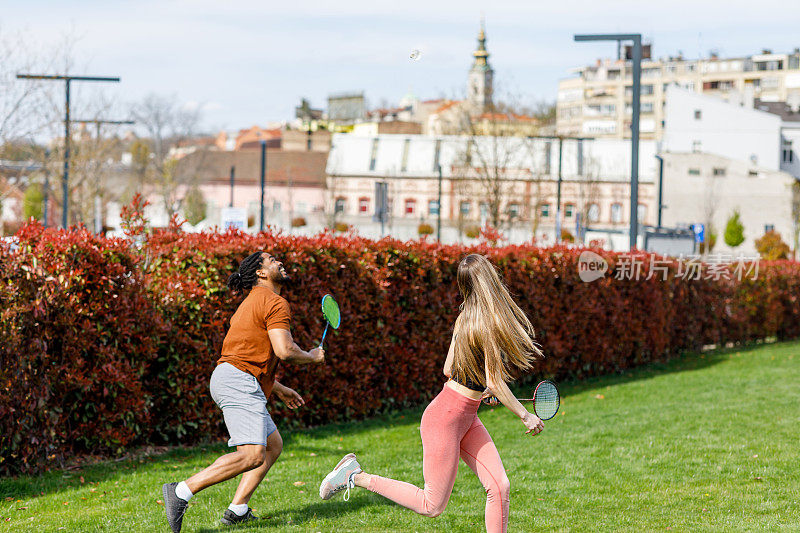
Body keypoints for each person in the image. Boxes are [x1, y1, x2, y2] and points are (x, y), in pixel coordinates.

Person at [318, 254, 544, 533]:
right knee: (432, 505)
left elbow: (449, 369)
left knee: (499, 486)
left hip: (463, 414)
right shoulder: (484, 324)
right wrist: (524, 415)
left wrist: (479, 391)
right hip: (446, 419)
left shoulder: (466, 319)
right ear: (490, 281)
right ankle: (356, 475)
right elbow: (495, 380)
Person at [162, 251, 325, 532]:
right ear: (261, 273)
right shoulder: (275, 302)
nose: (279, 262)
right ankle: (181, 491)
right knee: (252, 454)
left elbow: (248, 354)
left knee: (272, 445)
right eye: (272, 260)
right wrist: (312, 356)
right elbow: (284, 351)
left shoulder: (249, 303)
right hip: (239, 380)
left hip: (230, 377)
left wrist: (280, 388)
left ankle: (237, 509)